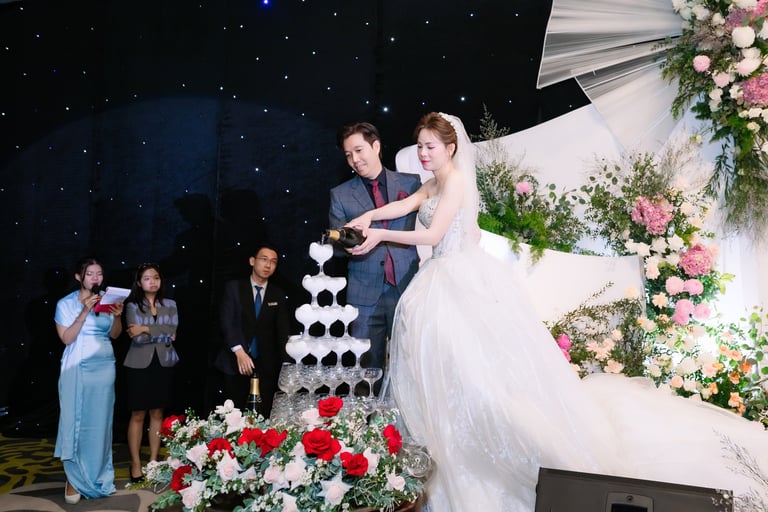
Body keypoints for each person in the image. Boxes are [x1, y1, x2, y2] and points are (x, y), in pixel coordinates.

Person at [348, 112, 768, 511]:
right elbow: (405, 206)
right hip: (440, 280)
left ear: (450, 148)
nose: (423, 154)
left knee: (475, 373)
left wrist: (379, 235)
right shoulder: (433, 182)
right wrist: (369, 216)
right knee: (439, 370)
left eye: (430, 147)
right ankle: (441, 444)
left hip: (457, 279)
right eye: (420, 147)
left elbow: (434, 234)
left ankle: (490, 447)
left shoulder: (455, 181)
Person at [329, 122, 422, 376]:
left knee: (411, 366)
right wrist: (347, 246)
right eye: (348, 155)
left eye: (359, 151)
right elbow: (336, 246)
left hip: (407, 287)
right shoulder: (340, 195)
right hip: (365, 294)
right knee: (366, 372)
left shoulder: (411, 184)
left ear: (376, 146)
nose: (355, 160)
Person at [54, 256, 123, 504]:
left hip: (104, 366)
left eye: (99, 273)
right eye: (90, 273)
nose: (96, 278)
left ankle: (98, 475)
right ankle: (73, 478)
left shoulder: (108, 299)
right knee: (74, 421)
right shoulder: (65, 303)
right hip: (76, 366)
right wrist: (84, 311)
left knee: (100, 423)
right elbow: (67, 338)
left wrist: (117, 316)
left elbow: (115, 335)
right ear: (78, 277)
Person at [213, 244, 290, 417]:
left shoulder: (278, 294)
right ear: (252, 261)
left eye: (273, 262)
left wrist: (287, 366)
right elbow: (227, 322)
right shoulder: (234, 287)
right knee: (232, 415)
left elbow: (282, 332)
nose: (268, 265)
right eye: (264, 259)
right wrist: (239, 351)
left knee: (264, 415)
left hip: (266, 366)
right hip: (235, 361)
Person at [123, 262, 179, 483]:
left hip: (164, 363)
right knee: (138, 414)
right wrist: (160, 333)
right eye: (147, 278)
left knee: (157, 413)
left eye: (155, 277)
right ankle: (136, 463)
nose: (152, 282)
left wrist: (145, 328)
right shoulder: (132, 306)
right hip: (138, 364)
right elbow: (135, 337)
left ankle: (154, 461)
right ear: (139, 282)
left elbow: (172, 331)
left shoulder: (171, 304)